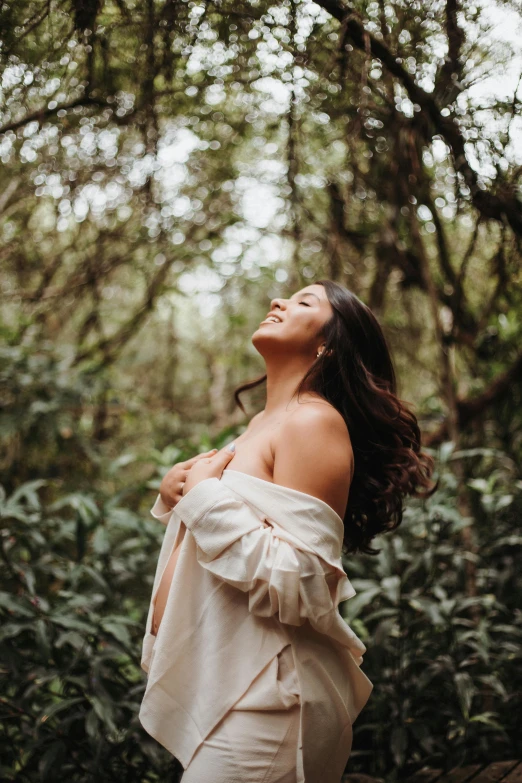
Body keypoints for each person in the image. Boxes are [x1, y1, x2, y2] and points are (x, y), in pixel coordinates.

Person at [139, 279, 437, 782]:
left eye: (304, 302)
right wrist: (177, 498)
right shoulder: (259, 425)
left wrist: (206, 497)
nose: (278, 301)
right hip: (237, 689)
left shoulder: (312, 422)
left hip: (272, 697)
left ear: (328, 342)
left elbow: (303, 580)